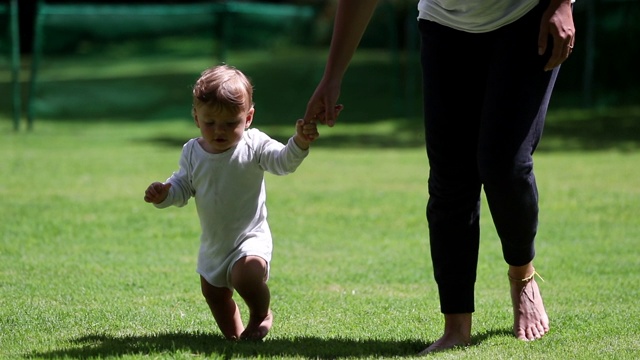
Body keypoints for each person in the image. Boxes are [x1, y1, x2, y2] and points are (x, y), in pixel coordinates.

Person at [303, 0, 575, 354]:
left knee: (503, 164)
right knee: (450, 177)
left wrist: (562, 3)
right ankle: (456, 327)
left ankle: (522, 275)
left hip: (524, 17)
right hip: (445, 24)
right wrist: (332, 76)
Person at [144, 64, 321, 341]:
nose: (219, 131)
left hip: (251, 238)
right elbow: (183, 186)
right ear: (196, 118)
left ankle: (262, 314)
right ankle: (236, 339)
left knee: (246, 275)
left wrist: (298, 142)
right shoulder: (192, 151)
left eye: (230, 123)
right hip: (215, 245)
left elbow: (283, 162)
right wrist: (165, 193)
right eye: (209, 123)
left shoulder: (255, 146)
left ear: (248, 117)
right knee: (214, 294)